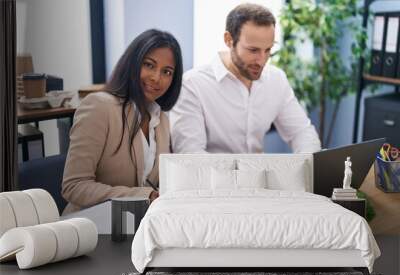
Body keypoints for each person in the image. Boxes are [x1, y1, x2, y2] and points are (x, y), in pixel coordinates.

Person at [170, 3, 321, 154]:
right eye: (253, 50)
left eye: (268, 50)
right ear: (229, 40)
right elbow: (190, 155)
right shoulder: (192, 85)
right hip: (214, 177)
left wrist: (308, 167)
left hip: (260, 176)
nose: (262, 60)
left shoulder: (276, 79)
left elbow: (301, 132)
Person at [61, 29, 183, 214]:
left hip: (138, 225)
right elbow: (74, 186)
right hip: (92, 226)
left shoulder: (161, 119)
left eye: (167, 72)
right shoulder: (99, 107)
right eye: (149, 65)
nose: (156, 78)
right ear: (133, 63)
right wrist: (144, 196)